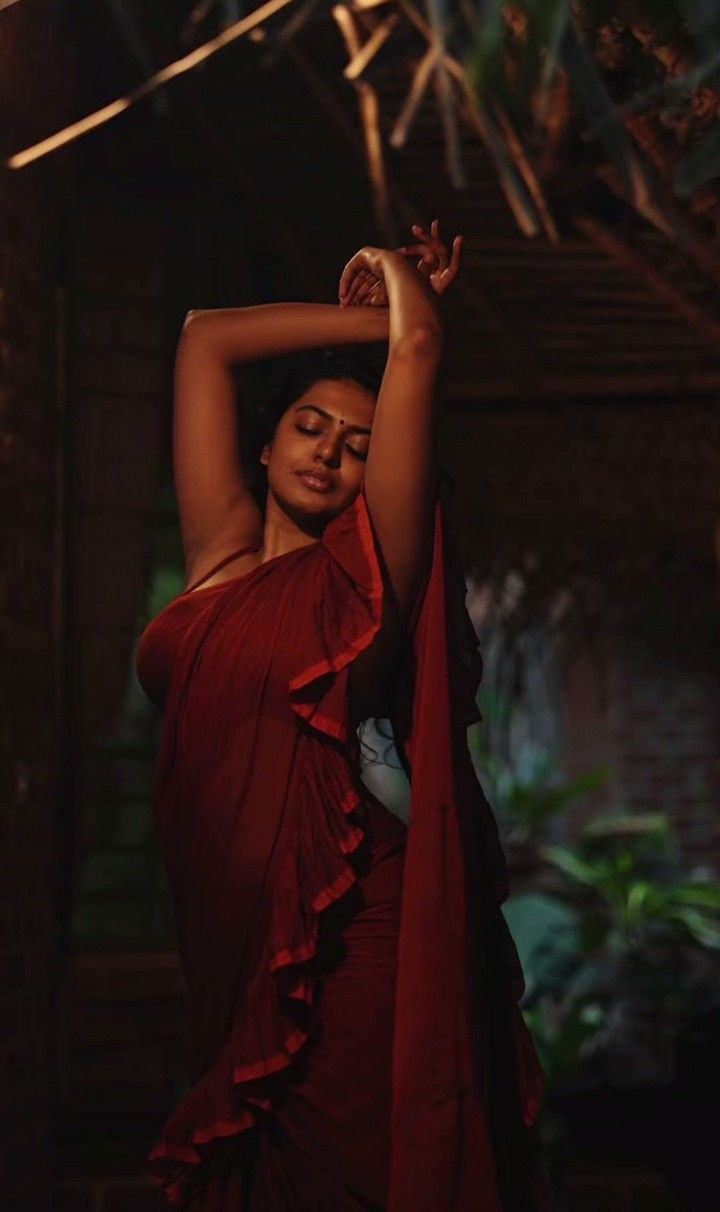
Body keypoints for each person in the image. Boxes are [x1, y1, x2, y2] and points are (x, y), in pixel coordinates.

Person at [135, 222, 550, 1210]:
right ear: (268, 440)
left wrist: (402, 282)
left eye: (361, 446)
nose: (331, 451)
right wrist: (354, 314)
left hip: (351, 914)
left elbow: (418, 349)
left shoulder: (372, 571)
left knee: (352, 1162)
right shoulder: (220, 557)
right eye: (313, 425)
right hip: (227, 918)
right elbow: (205, 339)